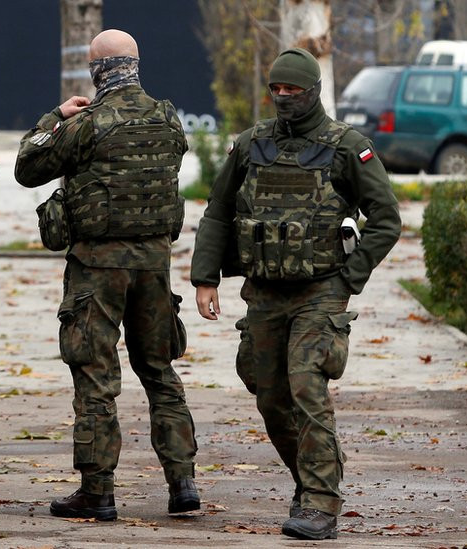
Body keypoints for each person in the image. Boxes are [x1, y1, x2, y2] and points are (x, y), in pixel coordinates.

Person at [190, 48, 401, 540]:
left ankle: (321, 504)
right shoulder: (251, 144)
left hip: (320, 292)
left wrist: (349, 279)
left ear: (314, 91)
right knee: (270, 399)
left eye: (293, 89)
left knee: (307, 388)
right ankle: (310, 482)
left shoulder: (348, 147)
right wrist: (205, 278)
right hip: (264, 292)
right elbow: (218, 211)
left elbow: (386, 219)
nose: (283, 96)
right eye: (276, 89)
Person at [14, 29, 199, 522]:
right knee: (159, 371)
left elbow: (27, 166)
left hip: (97, 268)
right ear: (136, 66)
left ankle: (98, 492)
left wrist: (56, 117)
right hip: (154, 265)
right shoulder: (168, 117)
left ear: (96, 71)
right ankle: (183, 483)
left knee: (96, 375)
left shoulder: (87, 123)